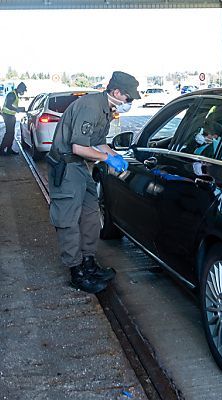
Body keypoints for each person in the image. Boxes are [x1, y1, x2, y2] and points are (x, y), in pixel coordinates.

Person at [47, 71, 141, 293]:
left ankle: (88, 262)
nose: (129, 102)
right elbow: (78, 147)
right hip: (67, 167)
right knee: (69, 220)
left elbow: (98, 143)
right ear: (116, 92)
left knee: (90, 216)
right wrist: (107, 158)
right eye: (129, 97)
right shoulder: (90, 106)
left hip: (81, 167)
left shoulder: (106, 110)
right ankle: (76, 271)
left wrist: (116, 156)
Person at [0, 82, 27, 155]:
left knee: (12, 133)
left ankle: (9, 149)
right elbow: (8, 105)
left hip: (11, 116)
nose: (23, 92)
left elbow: (12, 105)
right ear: (20, 89)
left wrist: (18, 109)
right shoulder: (12, 94)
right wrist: (17, 109)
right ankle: (1, 150)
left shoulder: (15, 94)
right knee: (9, 133)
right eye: (23, 91)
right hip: (7, 116)